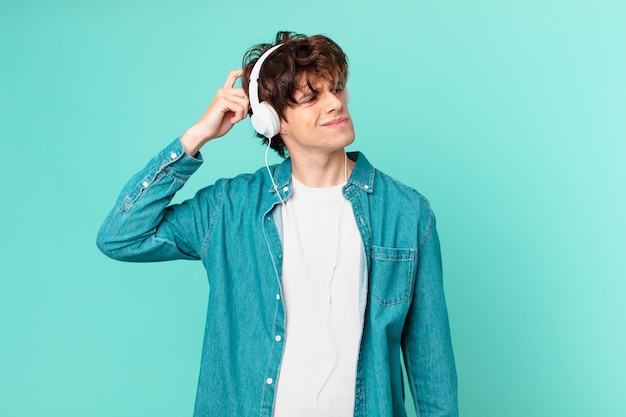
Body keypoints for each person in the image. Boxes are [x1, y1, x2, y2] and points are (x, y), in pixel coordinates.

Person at [97, 31, 458, 417]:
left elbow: (431, 370)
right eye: (312, 97)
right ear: (272, 121)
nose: (336, 103)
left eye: (336, 88)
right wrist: (196, 137)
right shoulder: (230, 208)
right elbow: (121, 236)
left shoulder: (406, 212)